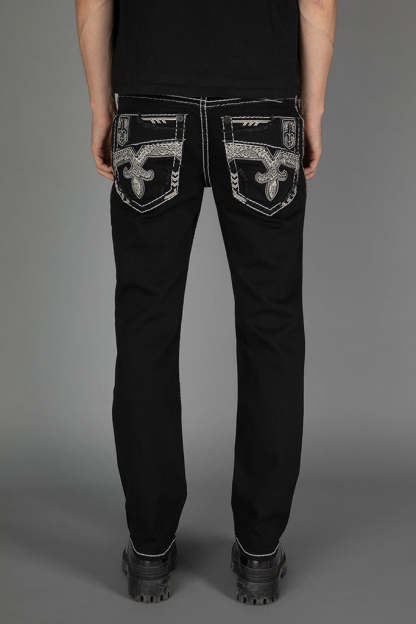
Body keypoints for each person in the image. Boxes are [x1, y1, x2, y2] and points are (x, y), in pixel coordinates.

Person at [76, 0, 336, 605]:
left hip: (150, 102)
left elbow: (93, 3)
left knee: (145, 326)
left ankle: (149, 547)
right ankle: (260, 550)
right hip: (263, 101)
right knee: (271, 326)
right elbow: (318, 2)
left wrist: (100, 106)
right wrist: (314, 109)